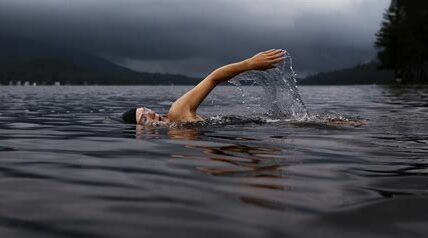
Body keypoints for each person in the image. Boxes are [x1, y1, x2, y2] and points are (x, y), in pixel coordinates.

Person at [122, 49, 286, 125]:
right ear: (140, 131)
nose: (150, 114)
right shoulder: (173, 128)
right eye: (143, 118)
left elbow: (213, 78)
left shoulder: (177, 112)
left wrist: (249, 64)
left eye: (145, 110)